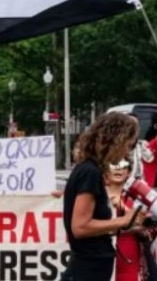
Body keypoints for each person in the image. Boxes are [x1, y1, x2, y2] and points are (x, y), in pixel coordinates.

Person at [110, 73, 157, 281]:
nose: (134, 132)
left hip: (140, 235)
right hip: (115, 232)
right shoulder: (103, 162)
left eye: (135, 128)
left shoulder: (147, 154)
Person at [62, 111, 146, 281]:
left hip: (90, 268)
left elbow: (94, 226)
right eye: (126, 145)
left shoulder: (90, 170)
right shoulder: (89, 173)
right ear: (115, 141)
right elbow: (80, 227)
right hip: (87, 270)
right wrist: (122, 220)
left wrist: (128, 225)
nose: (126, 153)